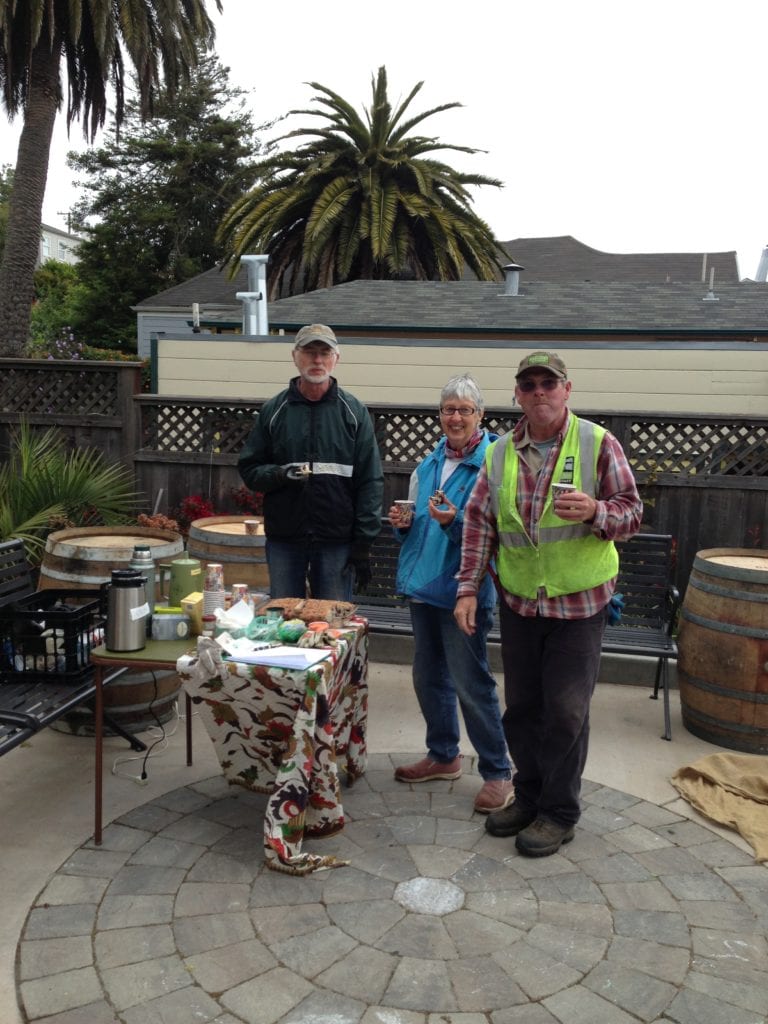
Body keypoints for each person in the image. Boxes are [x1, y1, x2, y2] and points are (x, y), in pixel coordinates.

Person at [454, 351, 642, 856]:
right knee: (523, 709)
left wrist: (597, 511)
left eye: (548, 383)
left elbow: (632, 514)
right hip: (521, 605)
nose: (539, 392)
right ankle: (530, 797)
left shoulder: (597, 443)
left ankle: (559, 812)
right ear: (517, 393)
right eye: (529, 384)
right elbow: (478, 524)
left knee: (565, 712)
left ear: (567, 389)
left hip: (579, 607)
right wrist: (468, 588)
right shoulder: (498, 454)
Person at [389, 374, 513, 814]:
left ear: (481, 415)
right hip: (424, 587)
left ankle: (499, 773)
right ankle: (443, 755)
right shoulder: (427, 465)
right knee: (428, 678)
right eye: (448, 409)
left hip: (467, 591)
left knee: (471, 682)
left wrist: (453, 522)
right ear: (439, 416)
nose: (455, 416)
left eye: (464, 409)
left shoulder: (496, 463)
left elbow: (498, 536)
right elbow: (418, 528)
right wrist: (404, 526)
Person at [238, 324, 384, 601]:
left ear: (336, 359)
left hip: (336, 542)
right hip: (285, 540)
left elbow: (371, 480)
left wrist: (363, 542)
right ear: (295, 356)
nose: (317, 360)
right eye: (310, 352)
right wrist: (279, 474)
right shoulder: (274, 411)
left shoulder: (353, 412)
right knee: (282, 623)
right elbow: (249, 469)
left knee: (332, 627)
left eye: (324, 353)